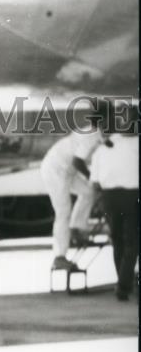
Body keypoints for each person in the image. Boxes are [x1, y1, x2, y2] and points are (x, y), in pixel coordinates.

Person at [40, 107, 106, 273]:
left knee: (88, 192)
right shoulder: (92, 135)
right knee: (63, 212)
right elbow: (78, 162)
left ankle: (76, 228)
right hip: (56, 169)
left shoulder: (95, 132)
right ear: (104, 121)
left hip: (67, 170)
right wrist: (93, 178)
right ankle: (59, 257)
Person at [90, 103, 139, 301]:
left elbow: (95, 182)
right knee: (132, 243)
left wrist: (98, 203)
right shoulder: (136, 144)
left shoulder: (105, 145)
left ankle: (122, 284)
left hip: (109, 199)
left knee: (118, 241)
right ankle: (123, 285)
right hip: (131, 197)